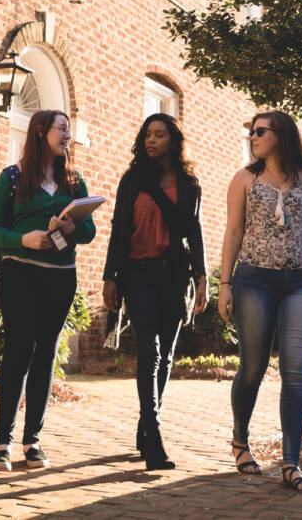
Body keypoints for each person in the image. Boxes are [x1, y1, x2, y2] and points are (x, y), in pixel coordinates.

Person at [218, 111, 302, 492]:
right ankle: (240, 439)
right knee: (252, 369)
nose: (253, 136)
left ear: (281, 135)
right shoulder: (244, 179)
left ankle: (291, 463)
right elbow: (234, 232)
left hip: (300, 281)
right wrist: (224, 284)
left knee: (296, 372)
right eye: (251, 131)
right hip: (253, 280)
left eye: (261, 131)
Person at [0, 109, 96, 471]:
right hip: (20, 272)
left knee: (46, 351)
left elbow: (89, 232)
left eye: (68, 129)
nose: (68, 134)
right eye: (62, 128)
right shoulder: (12, 178)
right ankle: (3, 443)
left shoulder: (74, 182)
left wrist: (69, 226)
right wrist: (24, 240)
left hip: (61, 276)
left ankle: (33, 442)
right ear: (40, 132)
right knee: (20, 348)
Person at [102, 113, 207, 470]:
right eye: (148, 134)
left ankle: (145, 422)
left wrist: (203, 277)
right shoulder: (132, 181)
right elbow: (118, 229)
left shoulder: (189, 183)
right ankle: (155, 433)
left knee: (167, 356)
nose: (151, 140)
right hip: (138, 272)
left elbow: (192, 231)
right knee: (150, 349)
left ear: (173, 141)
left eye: (159, 135)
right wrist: (109, 276)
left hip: (175, 275)